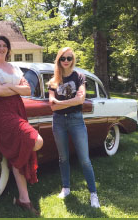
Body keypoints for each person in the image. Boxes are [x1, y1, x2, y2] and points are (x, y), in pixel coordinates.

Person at [0, 35, 43, 215]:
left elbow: (28, 90)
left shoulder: (15, 66)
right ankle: (7, 151)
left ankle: (24, 199)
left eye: (4, 46)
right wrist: (15, 88)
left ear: (8, 49)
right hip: (0, 109)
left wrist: (8, 86)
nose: (1, 48)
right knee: (35, 141)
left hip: (17, 107)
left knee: (21, 146)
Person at [48, 47, 100, 208]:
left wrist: (61, 103)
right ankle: (66, 188)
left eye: (69, 58)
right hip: (58, 122)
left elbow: (81, 99)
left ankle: (93, 194)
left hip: (76, 120)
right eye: (63, 58)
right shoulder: (53, 81)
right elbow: (52, 107)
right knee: (63, 158)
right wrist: (64, 103)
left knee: (84, 159)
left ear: (73, 60)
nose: (66, 61)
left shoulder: (79, 77)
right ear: (58, 60)